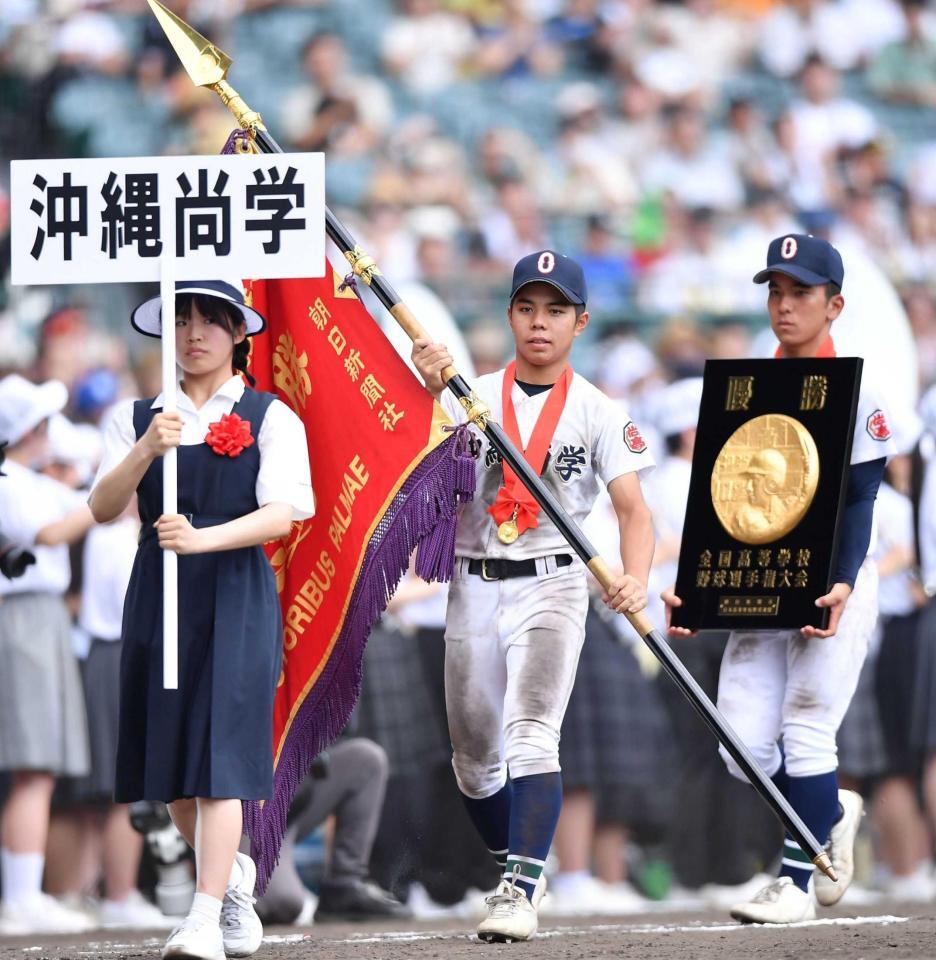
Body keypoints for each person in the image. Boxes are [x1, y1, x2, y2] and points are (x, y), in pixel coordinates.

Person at [412, 250, 655, 942]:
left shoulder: (600, 410)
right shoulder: (469, 394)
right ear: (510, 315)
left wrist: (633, 576)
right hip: (473, 579)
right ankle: (519, 867)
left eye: (555, 311)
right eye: (526, 307)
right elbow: (423, 479)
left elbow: (635, 511)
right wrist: (427, 395)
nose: (539, 323)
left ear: (580, 323)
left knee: (530, 733)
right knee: (474, 758)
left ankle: (516, 888)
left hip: (554, 579)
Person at [665, 234, 896, 924]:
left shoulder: (861, 388)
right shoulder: (743, 389)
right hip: (759, 582)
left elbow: (859, 498)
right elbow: (722, 505)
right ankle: (831, 810)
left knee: (806, 728)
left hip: (832, 582)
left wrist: (845, 582)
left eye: (800, 292)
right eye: (775, 290)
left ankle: (795, 882)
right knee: (740, 746)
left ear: (835, 305)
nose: (785, 304)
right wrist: (698, 592)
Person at [89, 280, 314, 960]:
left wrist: (204, 539)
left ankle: (205, 913)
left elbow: (286, 511)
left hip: (236, 594)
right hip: (158, 595)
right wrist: (144, 451)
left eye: (211, 320)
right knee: (170, 775)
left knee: (219, 762)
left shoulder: (270, 416)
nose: (194, 333)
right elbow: (101, 507)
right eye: (181, 319)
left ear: (239, 333)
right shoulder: (136, 417)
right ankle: (235, 880)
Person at [0, 375, 96, 936]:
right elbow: (55, 532)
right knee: (32, 766)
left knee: (40, 767)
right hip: (24, 619)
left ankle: (25, 892)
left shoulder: (26, 478)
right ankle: (19, 897)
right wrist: (106, 492)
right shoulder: (9, 482)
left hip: (42, 618)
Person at [253, 738, 410, 925]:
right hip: (246, 815)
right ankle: (218, 890)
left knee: (366, 759)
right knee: (284, 902)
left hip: (290, 805)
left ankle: (343, 887)